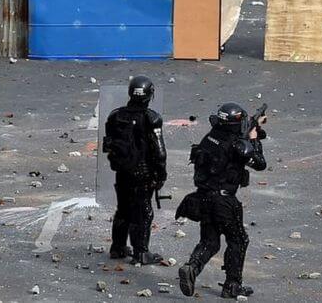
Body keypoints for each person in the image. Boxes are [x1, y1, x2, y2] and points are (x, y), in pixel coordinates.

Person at [177, 103, 267, 299]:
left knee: (209, 242)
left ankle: (191, 267)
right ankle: (232, 285)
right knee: (239, 240)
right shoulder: (238, 145)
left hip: (203, 197)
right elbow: (260, 163)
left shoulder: (210, 137)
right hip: (224, 201)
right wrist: (254, 139)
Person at [102, 76, 167, 265]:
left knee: (123, 209)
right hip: (143, 173)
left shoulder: (115, 116)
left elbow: (108, 145)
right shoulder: (151, 118)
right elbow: (160, 151)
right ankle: (141, 253)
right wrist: (161, 174)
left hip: (122, 172)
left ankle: (118, 247)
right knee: (144, 212)